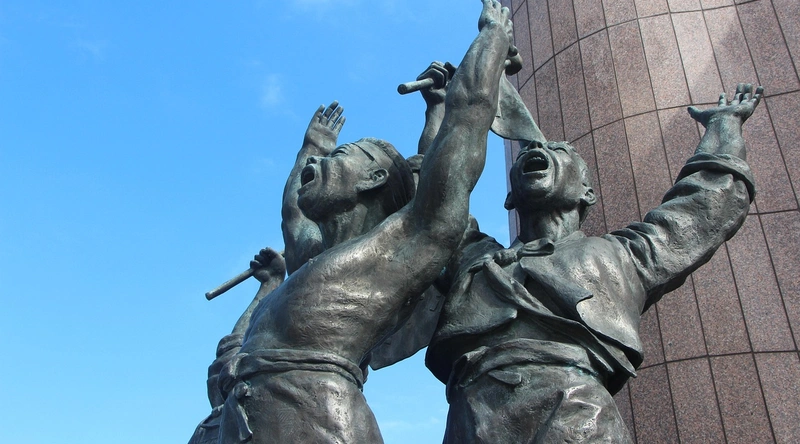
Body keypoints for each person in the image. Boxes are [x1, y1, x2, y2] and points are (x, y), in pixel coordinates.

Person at [216, 2, 518, 442]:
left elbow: (460, 133)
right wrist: (314, 146)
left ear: (374, 178)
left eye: (339, 157)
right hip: (250, 420)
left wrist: (492, 37)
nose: (316, 166)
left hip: (317, 421)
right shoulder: (314, 258)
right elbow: (292, 214)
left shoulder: (397, 249)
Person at [418, 82, 762, 442]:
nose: (536, 149)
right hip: (471, 419)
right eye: (528, 153)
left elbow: (702, 209)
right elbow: (435, 202)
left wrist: (724, 125)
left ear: (587, 193)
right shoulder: (474, 257)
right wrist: (441, 111)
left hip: (578, 417)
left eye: (560, 150)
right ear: (509, 198)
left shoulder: (622, 255)